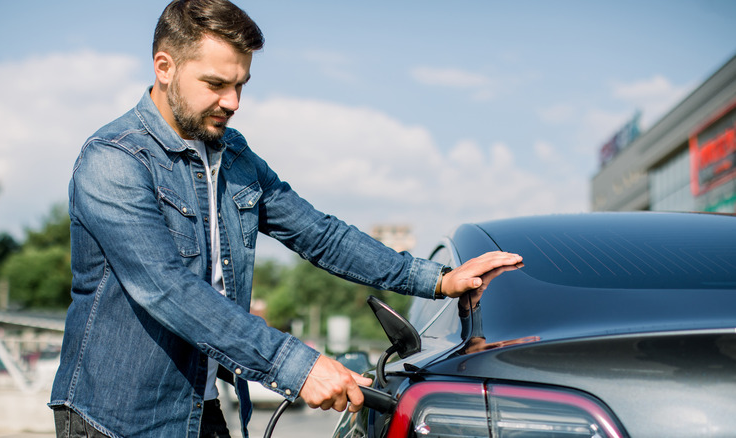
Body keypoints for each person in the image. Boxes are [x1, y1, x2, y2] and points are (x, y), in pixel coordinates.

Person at [48, 1, 523, 437]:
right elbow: (167, 288)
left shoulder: (233, 155)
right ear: (164, 67)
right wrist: (298, 366)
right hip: (112, 419)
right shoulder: (112, 160)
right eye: (216, 84)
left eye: (240, 85)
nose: (233, 102)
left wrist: (438, 279)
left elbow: (321, 235)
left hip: (200, 407)